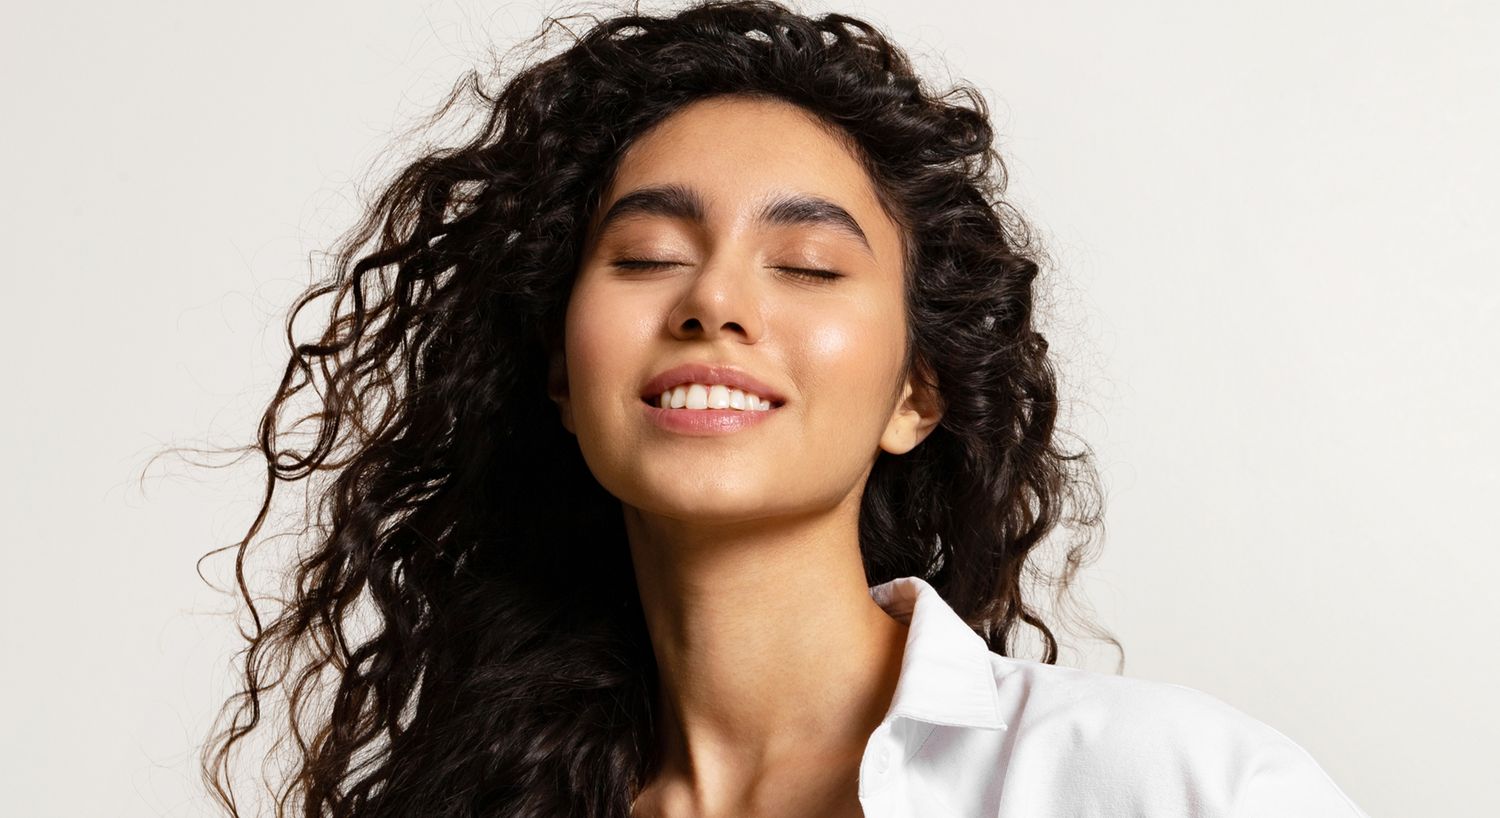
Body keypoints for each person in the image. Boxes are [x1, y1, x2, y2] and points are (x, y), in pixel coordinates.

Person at [198, 2, 1371, 816]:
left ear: (917, 393)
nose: (714, 299)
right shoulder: (471, 797)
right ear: (560, 374)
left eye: (806, 264)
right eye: (649, 254)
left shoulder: (1162, 784)